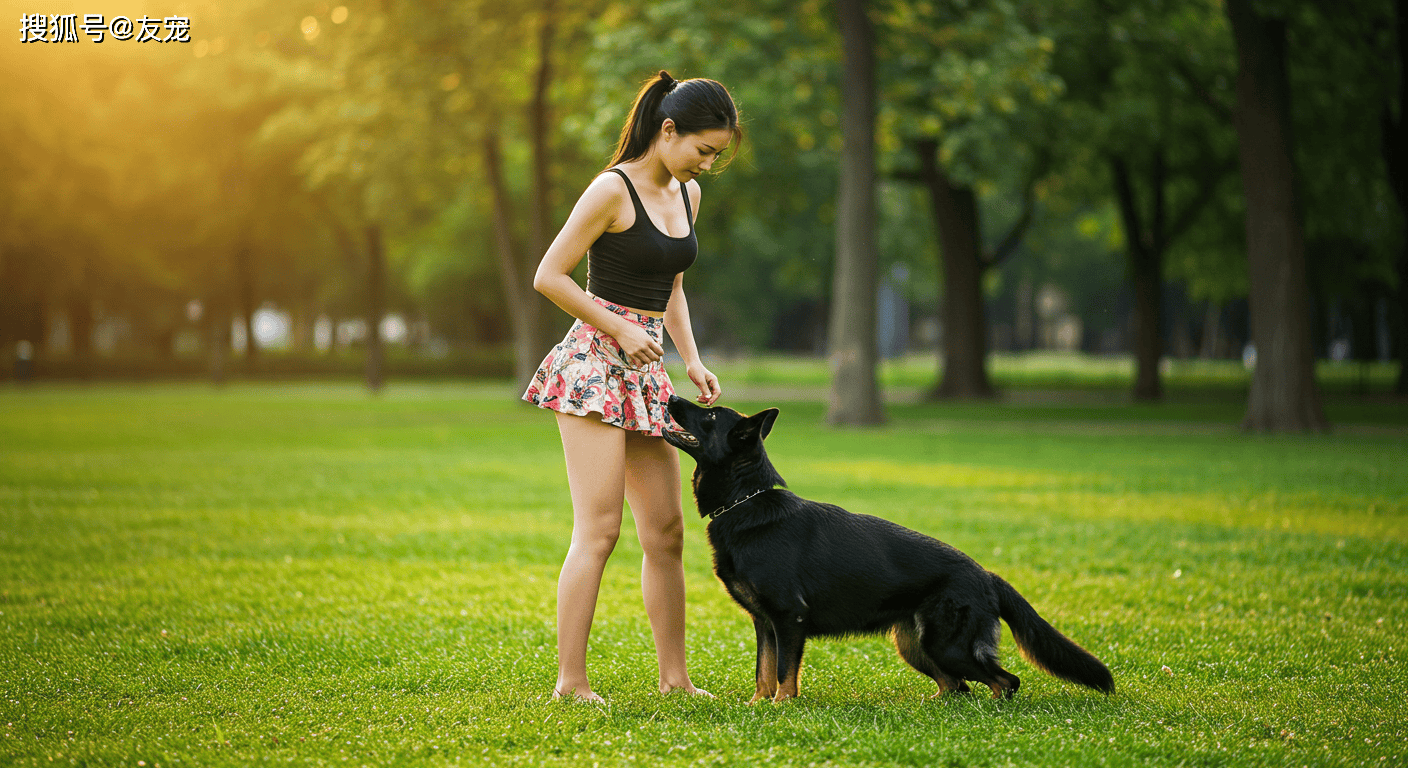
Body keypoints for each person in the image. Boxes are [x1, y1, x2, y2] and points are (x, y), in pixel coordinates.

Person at [524, 70, 741, 702]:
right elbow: (550, 275)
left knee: (667, 532)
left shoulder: (688, 195)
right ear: (667, 129)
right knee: (599, 530)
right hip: (593, 365)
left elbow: (673, 290)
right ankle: (571, 683)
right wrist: (618, 328)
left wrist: (691, 360)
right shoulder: (611, 190)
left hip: (646, 370)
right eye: (703, 149)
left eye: (716, 155)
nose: (707, 164)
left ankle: (675, 679)